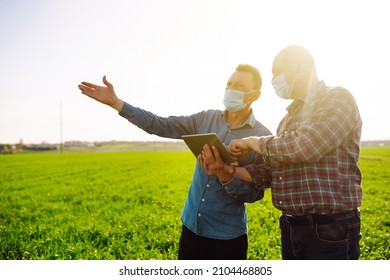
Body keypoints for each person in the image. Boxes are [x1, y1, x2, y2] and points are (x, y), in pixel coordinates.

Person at [77, 64, 272, 260]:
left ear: (255, 95)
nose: (231, 89)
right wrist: (117, 103)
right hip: (191, 227)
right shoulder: (206, 119)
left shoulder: (261, 138)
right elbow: (159, 124)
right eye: (229, 83)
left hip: (227, 238)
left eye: (239, 86)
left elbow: (254, 194)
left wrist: (225, 175)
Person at [199, 45, 363, 260]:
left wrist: (254, 141)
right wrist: (227, 170)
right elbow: (270, 173)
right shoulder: (286, 120)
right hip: (291, 226)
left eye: (277, 73)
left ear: (298, 67)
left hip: (330, 229)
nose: (275, 80)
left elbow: (306, 145)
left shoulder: (336, 98)